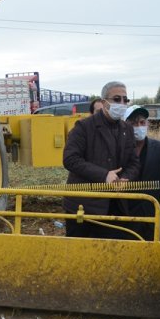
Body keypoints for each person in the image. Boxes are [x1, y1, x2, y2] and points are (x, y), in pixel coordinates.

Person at [62, 81, 139, 239]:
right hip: (84, 208)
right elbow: (70, 158)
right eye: (117, 99)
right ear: (104, 102)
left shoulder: (127, 129)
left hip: (116, 206)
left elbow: (133, 162)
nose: (122, 103)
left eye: (126, 100)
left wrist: (126, 178)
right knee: (82, 255)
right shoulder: (84, 127)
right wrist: (104, 175)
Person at [124, 104, 160, 239]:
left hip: (154, 213)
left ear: (147, 124)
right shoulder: (119, 150)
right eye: (133, 123)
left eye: (142, 122)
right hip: (127, 215)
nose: (138, 126)